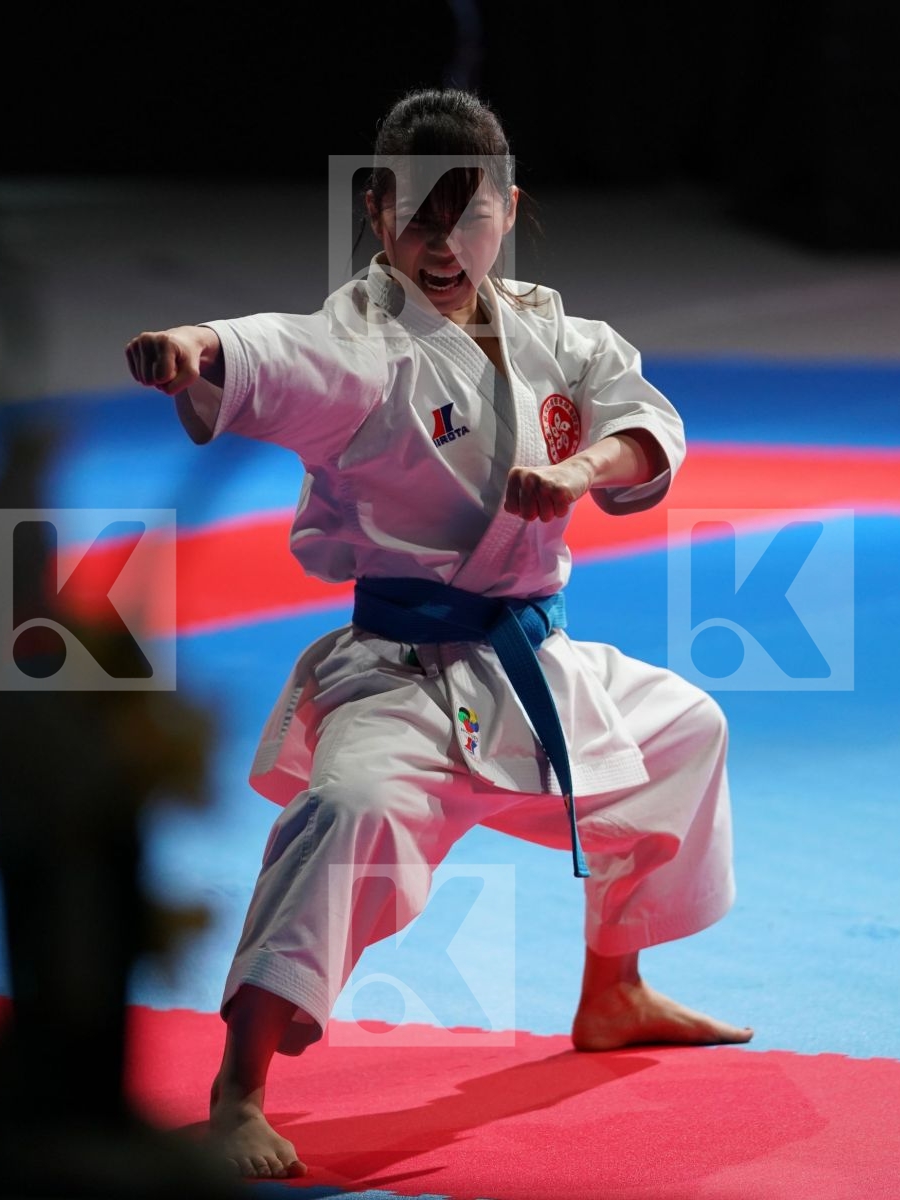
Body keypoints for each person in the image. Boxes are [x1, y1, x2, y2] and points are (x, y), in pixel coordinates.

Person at [125, 88, 750, 1181]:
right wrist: (194, 347)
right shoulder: (362, 347)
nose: (443, 244)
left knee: (686, 729)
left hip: (533, 664)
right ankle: (238, 1094)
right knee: (344, 813)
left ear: (510, 210)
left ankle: (614, 991)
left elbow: (646, 423)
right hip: (403, 677)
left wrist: (578, 472)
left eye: (471, 216)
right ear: (377, 212)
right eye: (419, 217)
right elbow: (276, 349)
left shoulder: (553, 330)